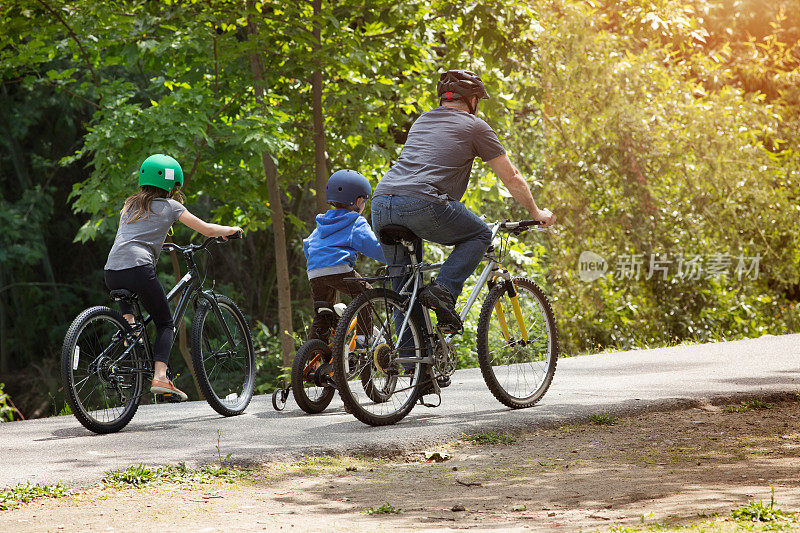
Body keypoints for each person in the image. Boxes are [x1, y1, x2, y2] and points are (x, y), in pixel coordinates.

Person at [372, 69, 555, 333]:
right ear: (473, 101)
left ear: (444, 99)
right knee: (480, 234)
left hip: (381, 204)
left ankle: (415, 367)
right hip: (422, 203)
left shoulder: (422, 121)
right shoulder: (475, 126)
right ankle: (443, 290)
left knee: (404, 290)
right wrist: (536, 212)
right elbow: (512, 177)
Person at [104, 154, 242, 401]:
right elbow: (206, 229)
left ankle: (130, 331)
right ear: (171, 184)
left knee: (134, 320)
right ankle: (160, 376)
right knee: (166, 323)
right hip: (138, 268)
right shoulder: (171, 207)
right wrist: (231, 230)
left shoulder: (128, 205)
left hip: (112, 270)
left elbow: (135, 234)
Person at [303, 170, 386, 342]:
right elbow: (374, 248)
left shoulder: (323, 221)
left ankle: (314, 358)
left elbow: (307, 244)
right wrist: (393, 257)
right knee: (366, 296)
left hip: (314, 272)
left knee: (322, 311)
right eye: (364, 200)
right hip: (339, 269)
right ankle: (365, 339)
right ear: (358, 201)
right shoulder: (355, 221)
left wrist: (317, 264)